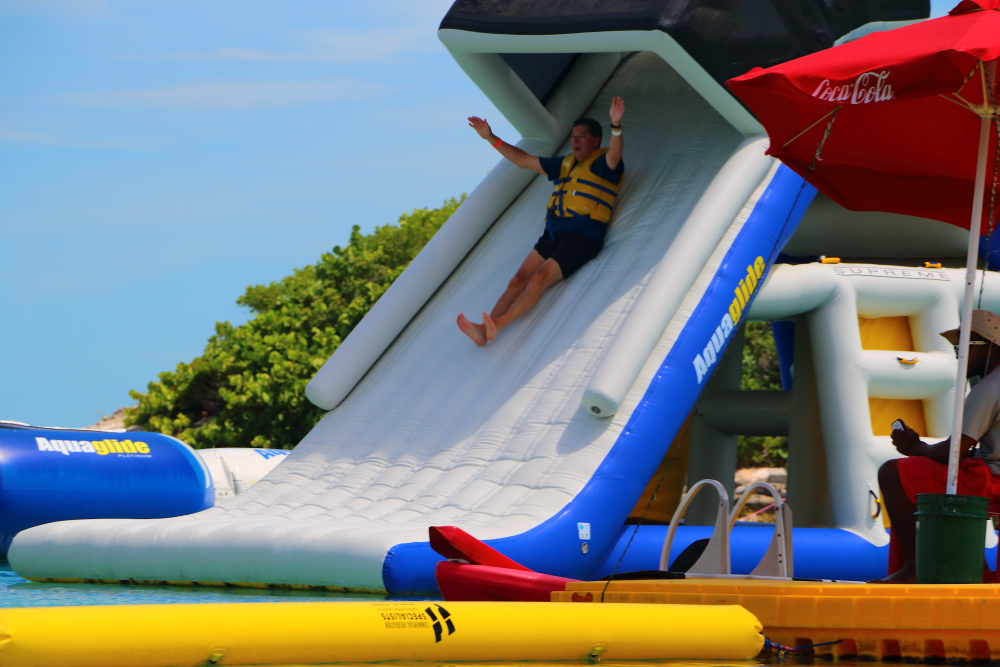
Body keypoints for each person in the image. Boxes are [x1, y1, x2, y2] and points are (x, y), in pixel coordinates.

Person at [457, 97, 626, 346]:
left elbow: (615, 153)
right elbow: (523, 160)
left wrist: (616, 125)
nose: (575, 141)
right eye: (573, 136)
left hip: (583, 237)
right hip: (554, 234)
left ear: (595, 141)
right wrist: (491, 138)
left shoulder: (604, 164)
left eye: (581, 136)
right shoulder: (565, 165)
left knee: (539, 279)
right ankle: (483, 331)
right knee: (517, 280)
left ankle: (498, 325)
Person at [874, 309, 1000, 583]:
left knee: (893, 472)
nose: (958, 354)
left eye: (963, 346)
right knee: (951, 477)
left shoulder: (990, 387)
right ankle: (972, 565)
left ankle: (915, 567)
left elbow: (952, 453)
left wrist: (915, 446)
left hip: (994, 481)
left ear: (990, 346)